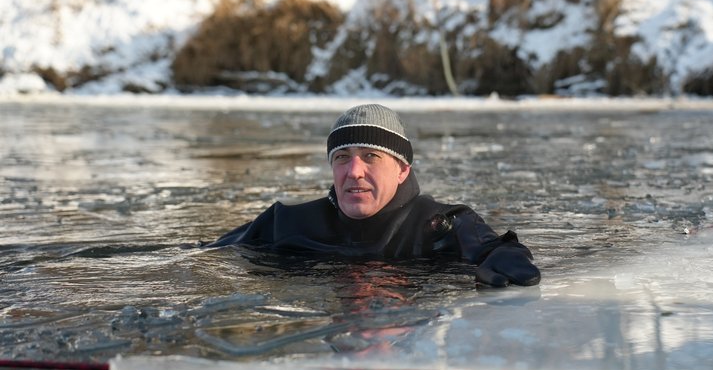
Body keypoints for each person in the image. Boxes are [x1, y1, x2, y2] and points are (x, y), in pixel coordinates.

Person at [207, 104, 540, 288]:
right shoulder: (286, 223)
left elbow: (497, 250)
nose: (353, 171)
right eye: (342, 157)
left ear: (402, 170)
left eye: (370, 156)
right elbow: (206, 257)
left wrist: (506, 255)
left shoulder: (441, 226)